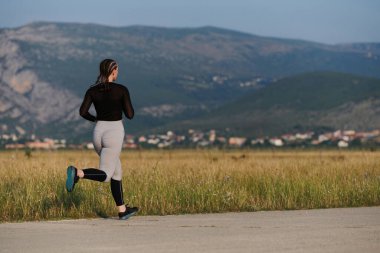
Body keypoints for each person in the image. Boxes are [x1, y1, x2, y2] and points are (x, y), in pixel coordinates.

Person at [65, 58, 138, 220]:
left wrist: (96, 119)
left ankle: (122, 210)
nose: (118, 72)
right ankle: (77, 173)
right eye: (117, 70)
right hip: (114, 132)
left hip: (98, 132)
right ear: (113, 71)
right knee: (106, 175)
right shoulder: (121, 89)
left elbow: (83, 112)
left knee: (117, 172)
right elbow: (130, 114)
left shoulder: (92, 90)